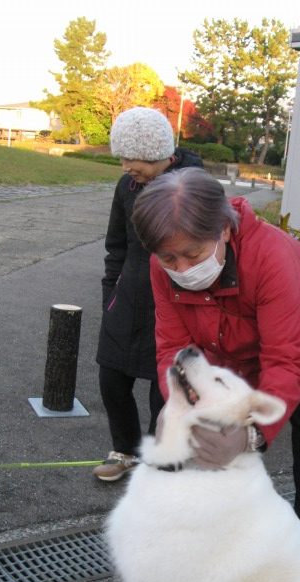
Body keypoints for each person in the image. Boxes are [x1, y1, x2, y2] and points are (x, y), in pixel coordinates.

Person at [131, 168, 300, 561]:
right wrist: (179, 404)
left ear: (225, 230)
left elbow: (287, 360)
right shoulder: (160, 266)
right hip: (229, 352)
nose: (181, 269)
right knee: (191, 448)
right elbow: (174, 347)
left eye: (193, 254)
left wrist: (252, 435)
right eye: (168, 258)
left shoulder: (270, 258)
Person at [93, 107, 203, 481]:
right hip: (127, 298)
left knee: (165, 390)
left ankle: (161, 460)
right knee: (111, 377)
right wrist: (110, 295)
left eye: (132, 158)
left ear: (157, 154)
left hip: (173, 304)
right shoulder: (126, 188)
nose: (126, 167)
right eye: (122, 158)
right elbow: (116, 246)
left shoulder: (192, 187)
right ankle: (124, 450)